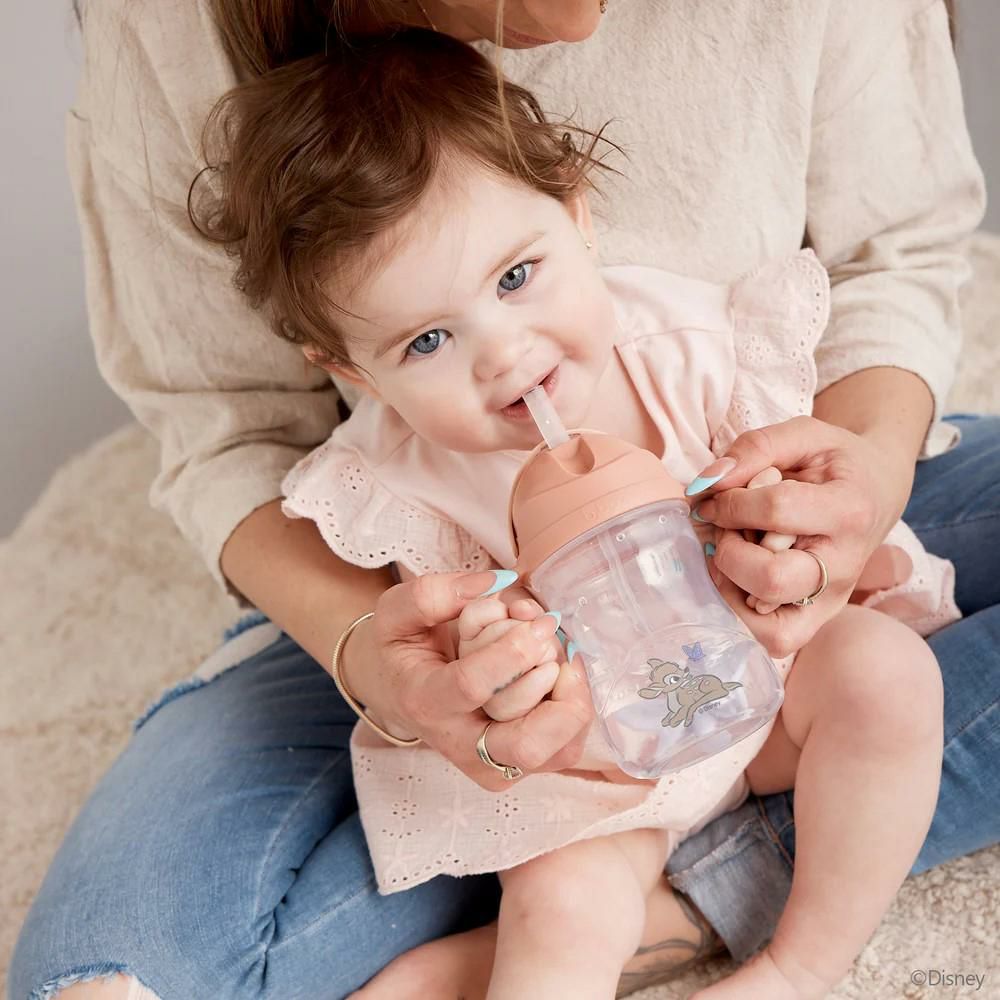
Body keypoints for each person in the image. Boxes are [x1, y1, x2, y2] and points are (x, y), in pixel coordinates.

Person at [8, 2, 995, 999]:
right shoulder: (395, 478)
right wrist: (486, 658)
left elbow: (855, 335)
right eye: (428, 342)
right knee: (559, 904)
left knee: (885, 675)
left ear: (577, 212)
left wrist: (815, 498)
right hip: (593, 764)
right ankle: (620, 919)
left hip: (770, 680)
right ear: (352, 369)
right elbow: (410, 601)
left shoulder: (687, 347)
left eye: (517, 277)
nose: (504, 353)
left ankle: (798, 964)